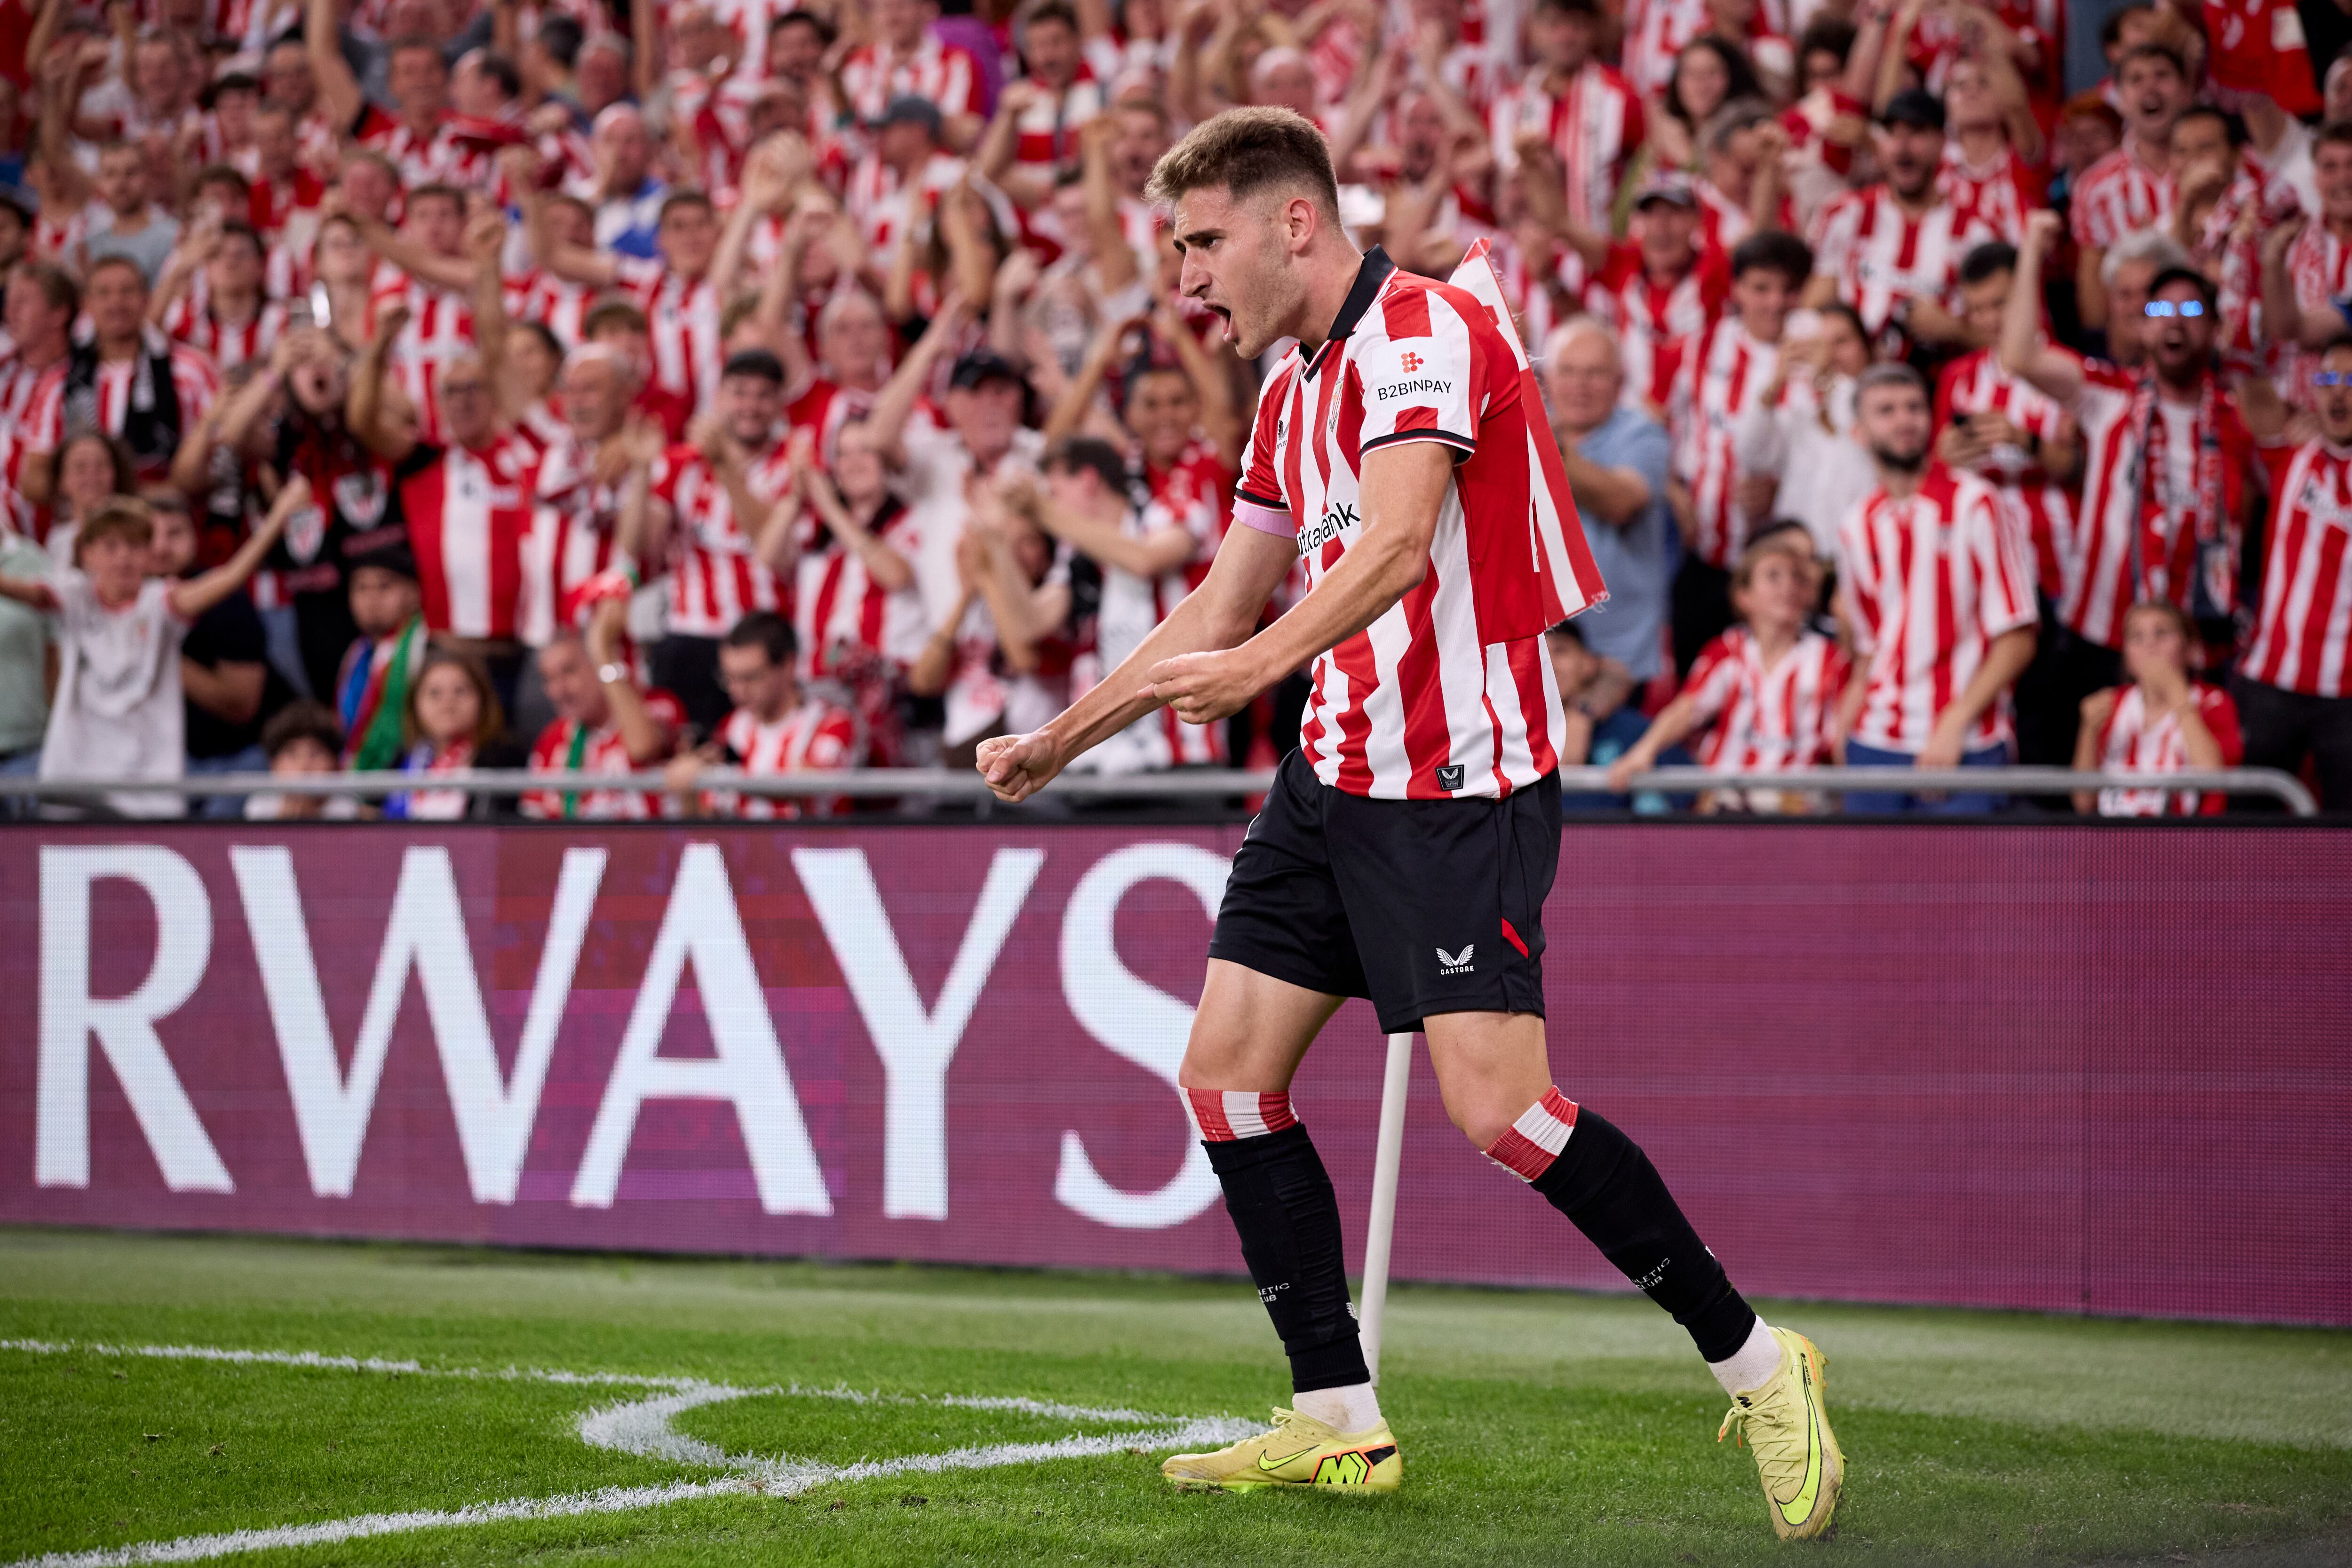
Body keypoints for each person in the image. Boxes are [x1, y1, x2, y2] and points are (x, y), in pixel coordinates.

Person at [975, 108, 1842, 1540]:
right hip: (1332, 776)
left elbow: (1389, 547)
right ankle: (1335, 1414)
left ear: (1291, 224)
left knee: (1502, 1118)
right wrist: (1066, 738)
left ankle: (1760, 1364)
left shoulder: (1431, 329)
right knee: (1224, 1078)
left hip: (1458, 785)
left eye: (1202, 242)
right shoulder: (1283, 388)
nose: (1186, 278)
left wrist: (1253, 670)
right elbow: (1218, 602)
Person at [2000, 213, 2258, 690]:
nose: (2174, 322)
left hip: (2196, 643)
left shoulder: (2240, 417)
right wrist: (2032, 250)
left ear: (2214, 330)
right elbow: (2018, 357)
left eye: (2192, 312)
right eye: (2159, 313)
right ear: (2142, 329)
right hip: (2098, 635)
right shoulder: (2108, 393)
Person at [0, 481, 303, 817]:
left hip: (146, 795)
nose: (123, 558)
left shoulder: (160, 603)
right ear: (87, 554)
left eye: (134, 546)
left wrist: (278, 517)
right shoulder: (73, 597)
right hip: (73, 790)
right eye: (110, 546)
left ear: (148, 554)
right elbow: (23, 591)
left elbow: (230, 577)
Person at [1835, 363, 2037, 814]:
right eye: (1886, 410)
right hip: (1875, 741)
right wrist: (1846, 720)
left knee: (1962, 884)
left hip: (1969, 741)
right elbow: (1872, 643)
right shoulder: (1855, 524)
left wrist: (1955, 721)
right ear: (1859, 432)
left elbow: (2018, 637)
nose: (1904, 419)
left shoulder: (1978, 503)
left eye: (1914, 407)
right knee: (1869, 885)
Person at [1609, 526, 1850, 812]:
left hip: (1798, 808)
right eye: (1773, 576)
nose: (1788, 587)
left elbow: (1840, 740)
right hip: (1726, 804)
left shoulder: (1830, 659)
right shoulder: (1727, 651)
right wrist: (1643, 752)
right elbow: (1687, 709)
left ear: (1810, 594)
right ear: (1743, 596)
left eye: (1798, 578)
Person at [1667, 229, 1811, 672]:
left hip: (1780, 575)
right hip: (1704, 559)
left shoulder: (1816, 360)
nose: (1774, 302)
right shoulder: (1703, 346)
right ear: (1737, 290)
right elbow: (1671, 427)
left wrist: (1783, 491)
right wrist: (1675, 491)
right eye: (1761, 288)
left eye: (1788, 291)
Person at [2232, 335, 2352, 812]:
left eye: (2350, 381)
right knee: (2245, 834)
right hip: (2269, 680)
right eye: (2326, 380)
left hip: (2346, 694)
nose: (2337, 393)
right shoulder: (2289, 450)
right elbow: (2247, 376)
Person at [1542, 319, 1671, 691]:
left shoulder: (1642, 434)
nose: (1580, 386)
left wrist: (1548, 445)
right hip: (1545, 651)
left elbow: (1621, 501)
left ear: (1619, 382)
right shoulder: (1527, 435)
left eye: (1595, 374)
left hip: (1622, 659)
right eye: (1567, 371)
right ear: (1547, 378)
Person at [666, 609, 859, 817]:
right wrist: (690, 781)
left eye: (751, 678)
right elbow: (705, 816)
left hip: (812, 847)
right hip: (742, 848)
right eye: (730, 678)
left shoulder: (831, 722)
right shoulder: (733, 726)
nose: (738, 691)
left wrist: (720, 777)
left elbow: (806, 784)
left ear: (788, 665)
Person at [2074, 600, 2242, 817]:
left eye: (2162, 633)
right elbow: (2083, 802)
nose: (2150, 645)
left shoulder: (2214, 702)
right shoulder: (2110, 705)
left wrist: (2177, 694)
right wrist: (2088, 731)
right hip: (2114, 840)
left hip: (2187, 841)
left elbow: (2212, 780)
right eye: (2137, 637)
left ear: (2191, 649)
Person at [520, 607, 683, 820]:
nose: (558, 691)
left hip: (651, 848)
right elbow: (533, 824)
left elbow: (643, 748)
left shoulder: (656, 706)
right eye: (548, 679)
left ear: (597, 664)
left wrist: (604, 652)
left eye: (569, 671)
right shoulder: (554, 738)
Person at [385, 646, 516, 820]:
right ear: (415, 703)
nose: (447, 703)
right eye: (435, 693)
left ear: (483, 699)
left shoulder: (505, 760)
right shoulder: (401, 760)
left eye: (460, 691)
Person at [333, 533, 429, 771]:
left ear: (414, 593)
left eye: (385, 586)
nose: (371, 598)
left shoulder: (427, 647)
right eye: (361, 588)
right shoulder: (356, 655)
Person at [245, 698, 365, 820]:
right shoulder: (259, 808)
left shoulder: (348, 811)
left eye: (316, 753)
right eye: (292, 753)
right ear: (273, 764)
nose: (304, 765)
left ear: (336, 765)